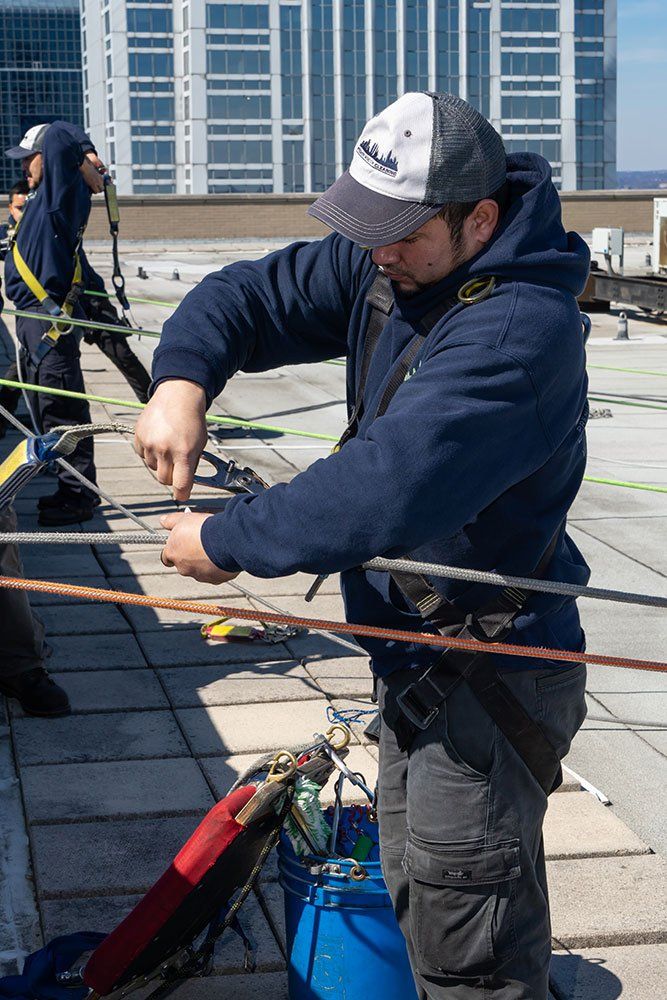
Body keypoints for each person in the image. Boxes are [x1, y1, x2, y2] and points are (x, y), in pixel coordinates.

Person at [134, 93, 591, 999]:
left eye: (398, 232)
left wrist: (225, 541)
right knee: (428, 890)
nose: (375, 251)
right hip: (420, 662)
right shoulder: (404, 264)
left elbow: (382, 487)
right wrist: (181, 380)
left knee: (468, 941)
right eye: (366, 227)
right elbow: (249, 295)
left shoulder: (516, 333)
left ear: (480, 220)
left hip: (489, 674)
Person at [2, 121, 105, 525]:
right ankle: (70, 487)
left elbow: (61, 135)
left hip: (46, 328)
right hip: (35, 326)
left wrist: (85, 152)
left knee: (64, 415)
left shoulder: (58, 199)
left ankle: (78, 496)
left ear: (53, 158)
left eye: (30, 157)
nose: (25, 165)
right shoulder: (43, 202)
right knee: (50, 412)